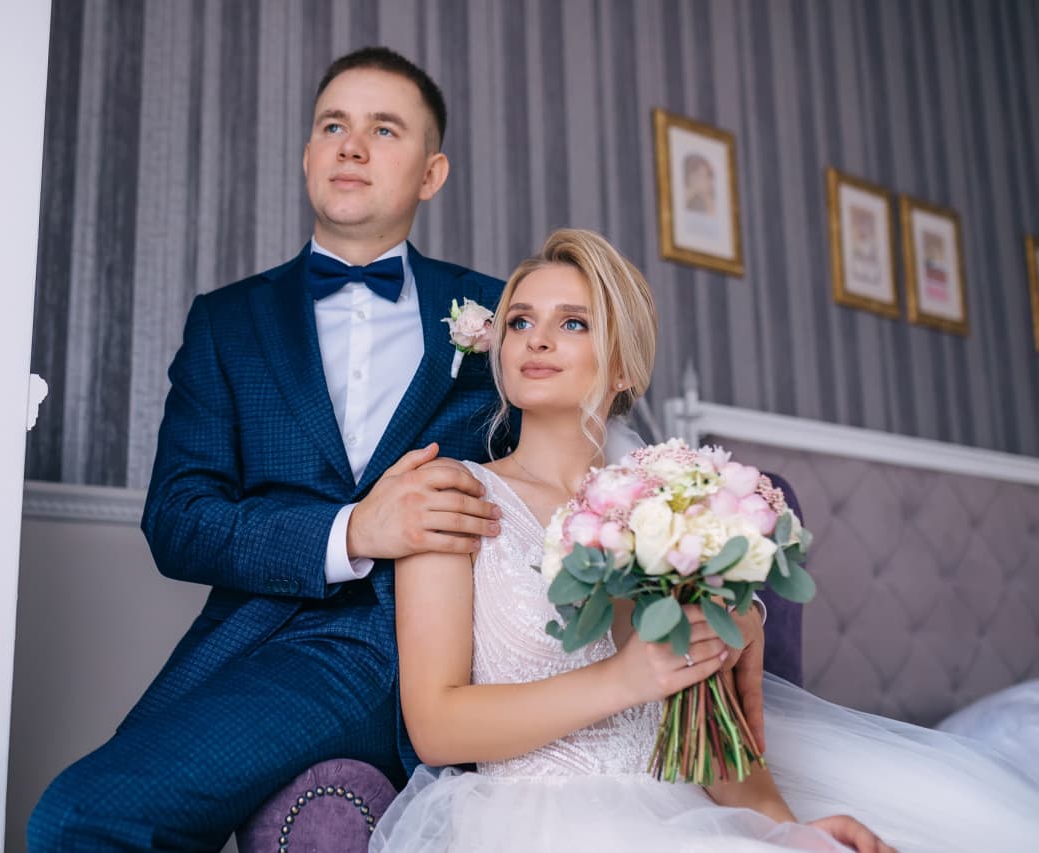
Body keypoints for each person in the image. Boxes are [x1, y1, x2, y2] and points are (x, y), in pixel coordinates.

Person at [28, 47, 765, 850]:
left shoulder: (506, 311)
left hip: (415, 644)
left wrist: (724, 593)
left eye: (384, 129)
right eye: (332, 126)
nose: (351, 146)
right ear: (308, 154)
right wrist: (354, 529)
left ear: (431, 173)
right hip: (259, 636)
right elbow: (177, 518)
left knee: (79, 817)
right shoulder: (226, 321)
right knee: (88, 812)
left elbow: (598, 471)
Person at [373, 228, 1039, 852]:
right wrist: (621, 679)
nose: (537, 340)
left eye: (573, 322)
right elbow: (436, 726)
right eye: (520, 321)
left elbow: (704, 724)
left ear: (624, 366)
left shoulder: (676, 506)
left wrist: (783, 827)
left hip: (686, 807)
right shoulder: (451, 496)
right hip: (534, 820)